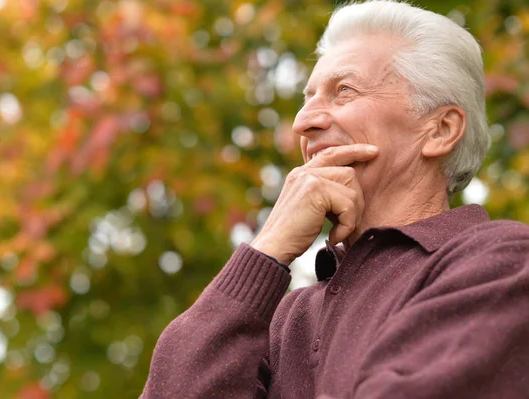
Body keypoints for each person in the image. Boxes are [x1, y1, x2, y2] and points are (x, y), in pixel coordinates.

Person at [141, 1, 529, 398]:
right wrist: (265, 251)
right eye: (307, 98)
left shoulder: (502, 262)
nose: (302, 122)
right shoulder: (287, 319)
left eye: (344, 90)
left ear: (440, 130)